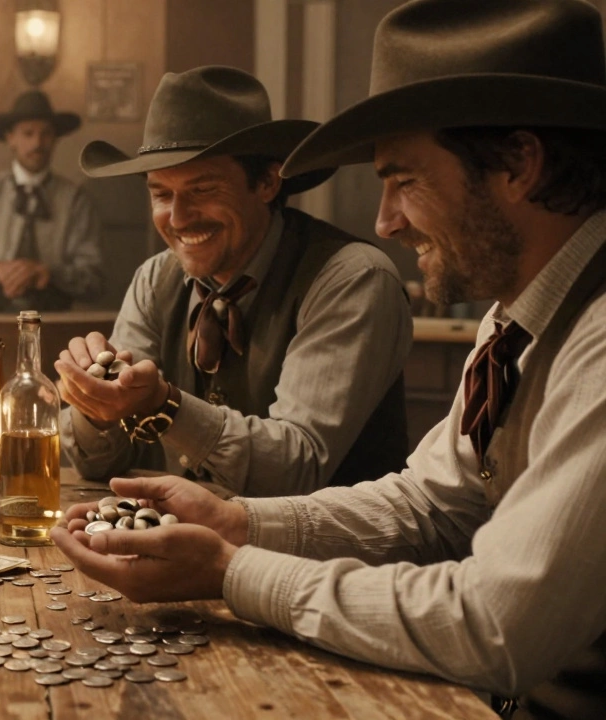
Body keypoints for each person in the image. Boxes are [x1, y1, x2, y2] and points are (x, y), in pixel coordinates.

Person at [53, 1, 606, 716]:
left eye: (405, 180)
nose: (385, 221)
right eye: (161, 194)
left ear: (519, 165)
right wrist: (236, 523)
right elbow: (430, 505)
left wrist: (233, 571)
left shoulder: (595, 337)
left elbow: (496, 625)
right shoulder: (512, 321)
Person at [56, 66, 411, 495]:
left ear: (267, 183)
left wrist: (166, 405)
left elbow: (297, 468)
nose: (178, 218)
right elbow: (98, 463)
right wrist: (95, 404)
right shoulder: (154, 279)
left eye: (203, 190)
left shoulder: (351, 278)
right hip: (179, 535)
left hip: (327, 541)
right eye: (161, 194)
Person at [0, 90, 104, 312]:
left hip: (55, 320)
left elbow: (93, 278)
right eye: (28, 134)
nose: (37, 143)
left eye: (46, 134)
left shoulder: (75, 201)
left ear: (55, 139)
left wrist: (48, 272)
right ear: (10, 138)